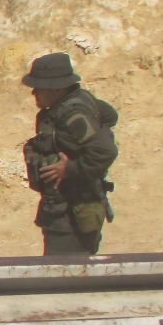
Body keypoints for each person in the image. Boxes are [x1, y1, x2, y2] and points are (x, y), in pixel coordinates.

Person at [22, 53, 118, 256]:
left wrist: (70, 168)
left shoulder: (72, 114)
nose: (34, 93)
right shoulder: (76, 101)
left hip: (71, 216)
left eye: (39, 87)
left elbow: (105, 151)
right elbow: (109, 115)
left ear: (56, 88)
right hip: (68, 212)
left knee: (61, 272)